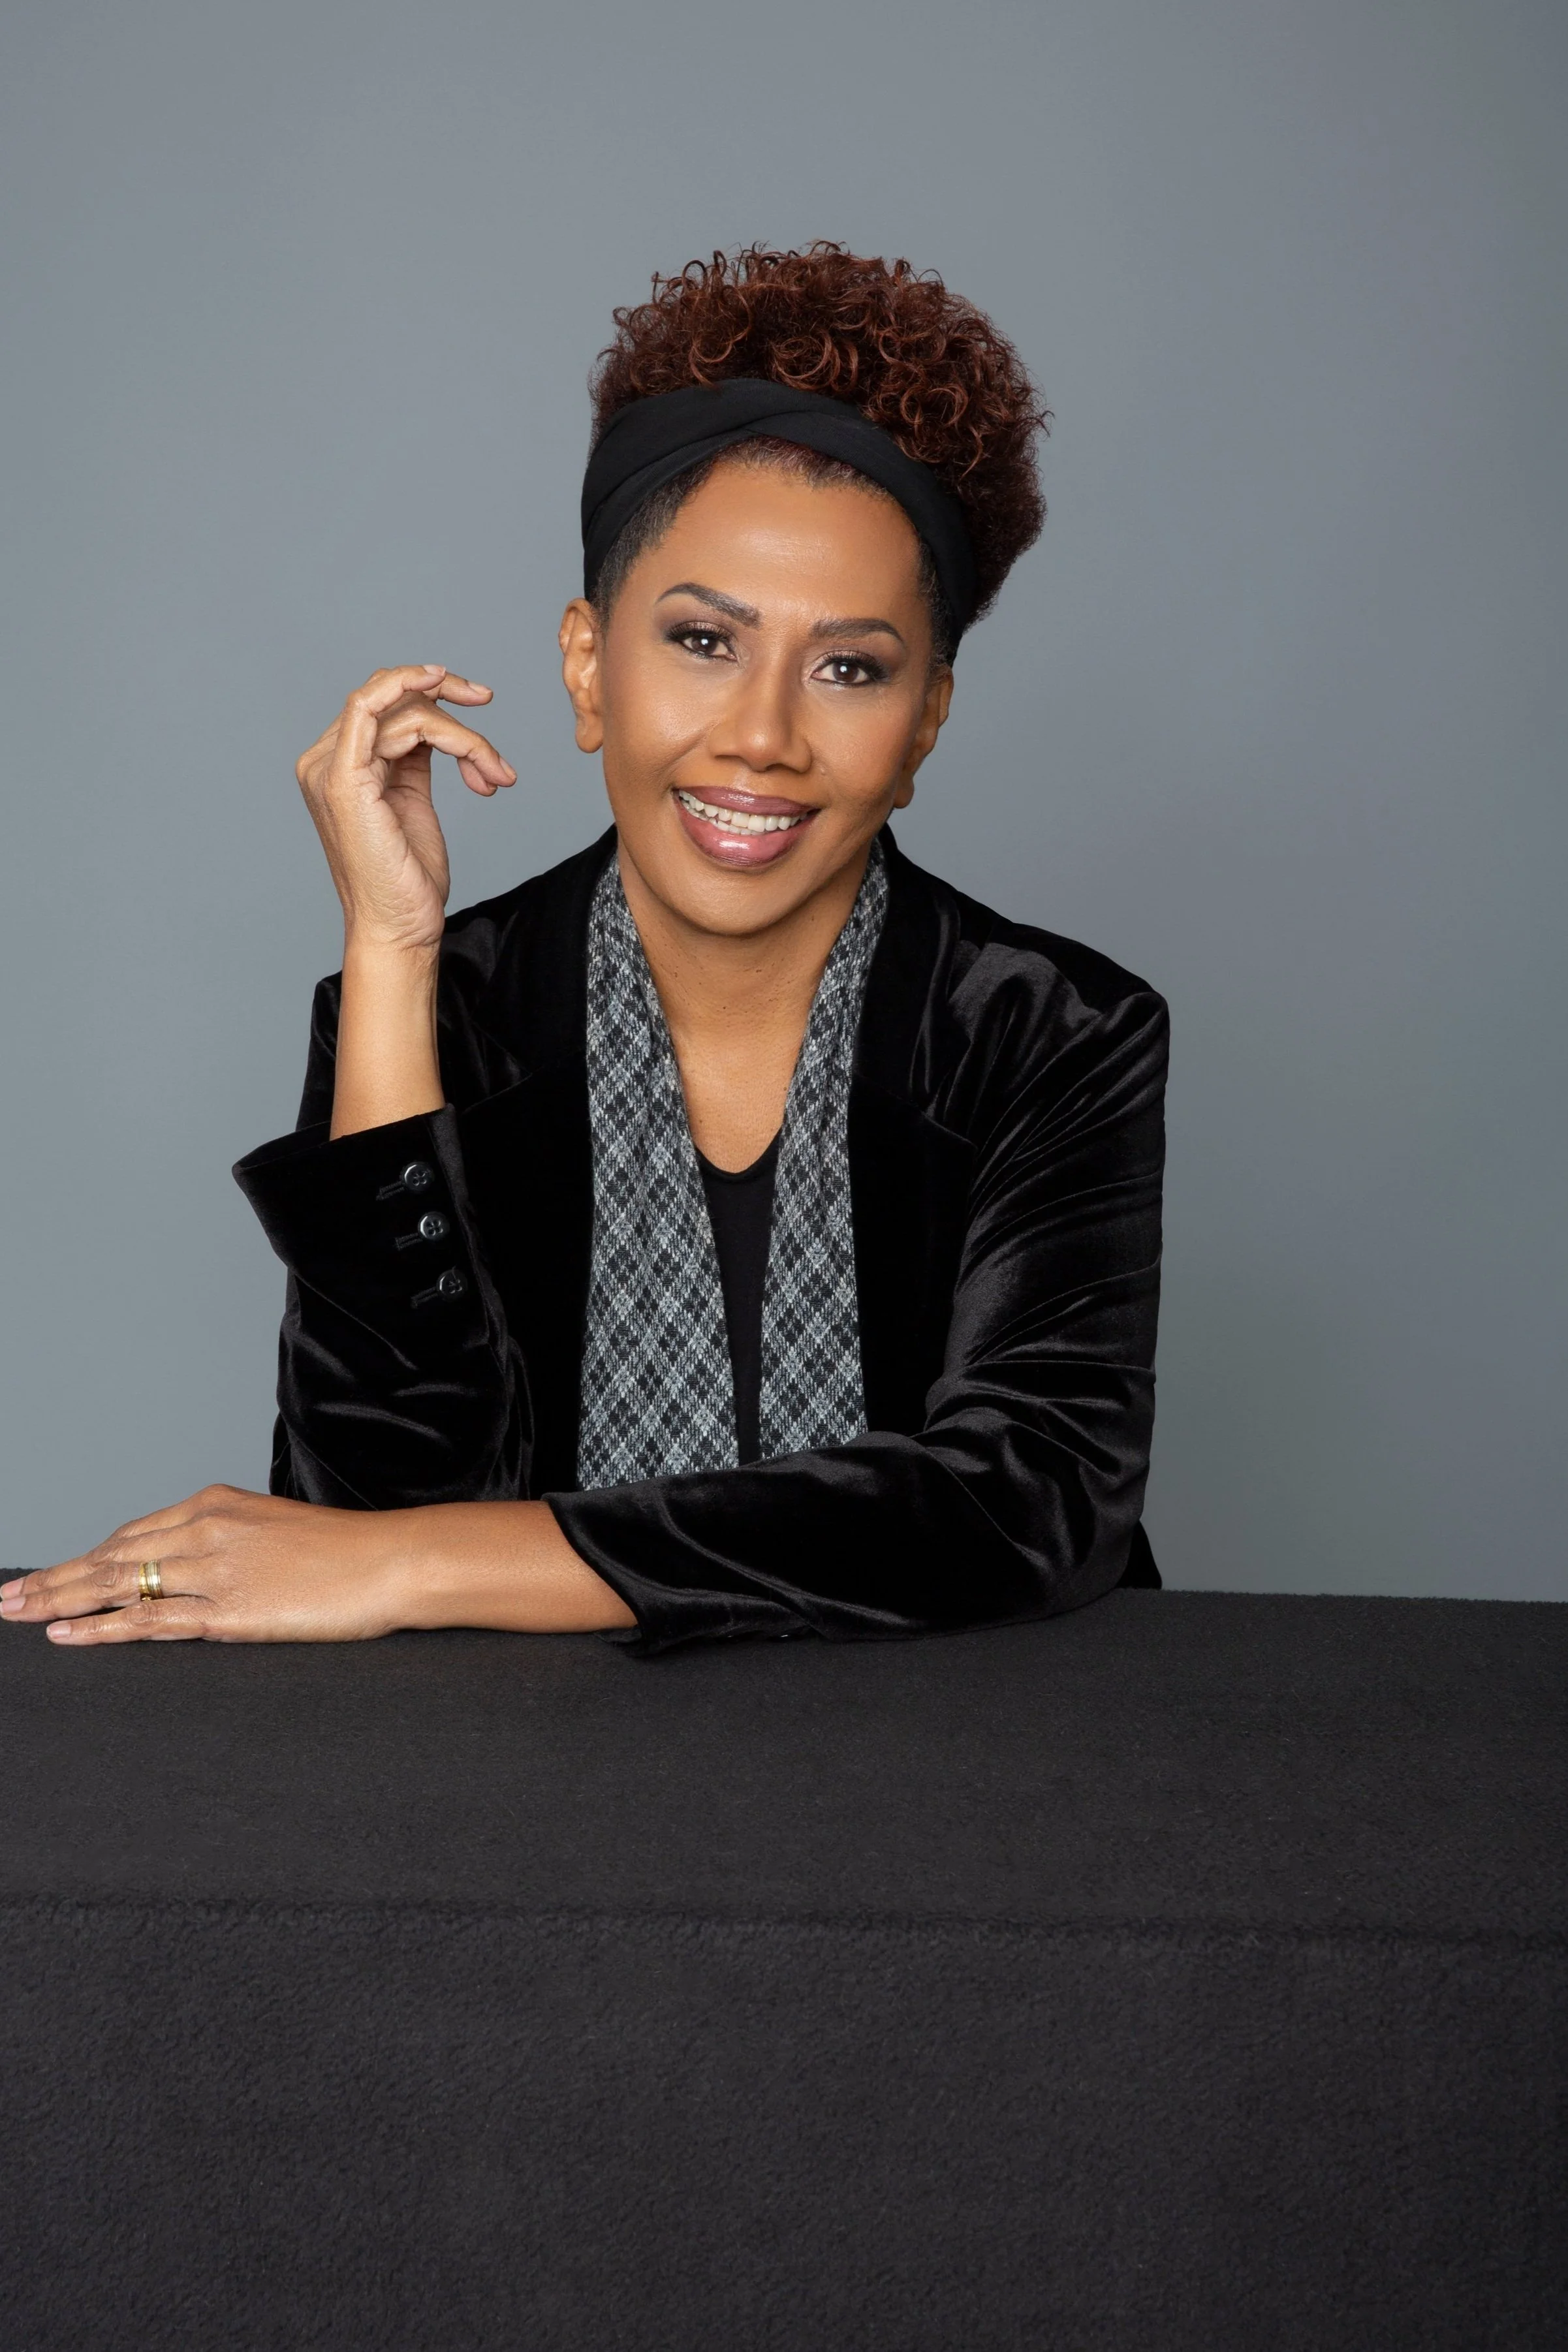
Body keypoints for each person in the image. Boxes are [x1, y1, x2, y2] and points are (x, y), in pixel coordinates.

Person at [1, 245, 1167, 1656]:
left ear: (923, 724)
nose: (764, 735)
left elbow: (1023, 1506)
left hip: (986, 1784)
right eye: (701, 640)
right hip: (541, 1800)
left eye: (851, 667)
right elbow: (372, 1496)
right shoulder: (452, 1007)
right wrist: (389, 949)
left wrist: (426, 1566)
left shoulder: (1048, 1027)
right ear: (584, 666)